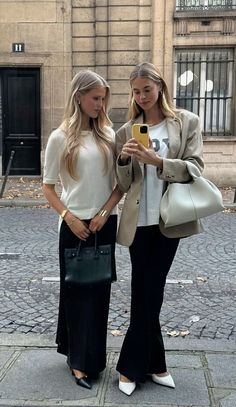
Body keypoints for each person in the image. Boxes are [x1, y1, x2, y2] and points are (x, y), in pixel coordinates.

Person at [115, 62, 204, 396]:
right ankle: (155, 365)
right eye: (136, 91)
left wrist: (157, 162)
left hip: (169, 219)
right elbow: (123, 183)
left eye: (146, 90)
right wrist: (124, 161)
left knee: (150, 290)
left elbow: (196, 167)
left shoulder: (186, 122)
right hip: (138, 222)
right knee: (146, 291)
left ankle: (130, 368)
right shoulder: (127, 130)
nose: (141, 97)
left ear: (160, 87)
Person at [43, 70, 122, 390]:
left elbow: (120, 185)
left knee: (99, 294)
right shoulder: (59, 137)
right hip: (73, 226)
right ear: (78, 97)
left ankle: (95, 360)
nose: (101, 105)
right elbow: (48, 187)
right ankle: (77, 362)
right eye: (95, 99)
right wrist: (70, 217)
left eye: (103, 99)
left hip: (104, 223)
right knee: (76, 294)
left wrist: (105, 212)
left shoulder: (108, 134)